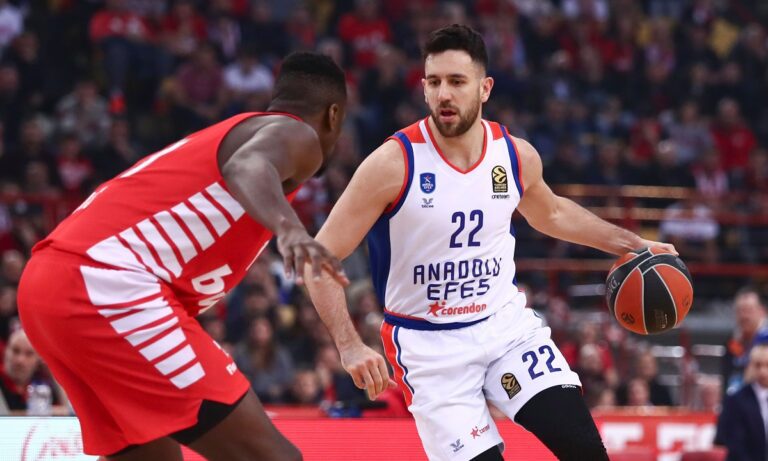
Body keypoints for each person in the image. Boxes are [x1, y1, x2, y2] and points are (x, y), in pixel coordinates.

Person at [304, 25, 677, 461]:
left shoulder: (514, 155)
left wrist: (632, 244)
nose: (444, 94)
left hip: (504, 329)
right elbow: (317, 259)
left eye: (457, 81)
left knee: (586, 451)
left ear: (485, 88)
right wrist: (349, 344)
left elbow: (553, 214)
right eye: (434, 82)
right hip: (430, 349)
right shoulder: (392, 163)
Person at [17, 52, 349, 461]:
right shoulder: (297, 134)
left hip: (48, 287)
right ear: (333, 115)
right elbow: (248, 165)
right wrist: (292, 230)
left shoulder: (234, 135)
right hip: (104, 285)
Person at [715, 344, 768, 461]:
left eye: (767, 365)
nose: (763, 371)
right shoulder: (736, 401)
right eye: (758, 365)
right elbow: (733, 443)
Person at [722, 287, 767, 396]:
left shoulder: (766, 340)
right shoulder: (732, 343)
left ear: (762, 312)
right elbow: (726, 377)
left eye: (749, 310)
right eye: (740, 311)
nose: (744, 316)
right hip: (736, 400)